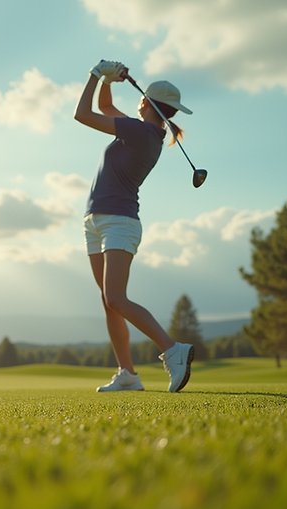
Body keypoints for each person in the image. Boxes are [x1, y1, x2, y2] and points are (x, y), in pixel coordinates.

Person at [74, 60, 194, 393]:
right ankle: (127, 373)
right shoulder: (144, 130)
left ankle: (173, 349)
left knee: (115, 297)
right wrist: (111, 80)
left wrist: (95, 74)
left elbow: (83, 114)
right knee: (108, 300)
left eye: (142, 98)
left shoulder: (141, 132)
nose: (138, 101)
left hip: (118, 221)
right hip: (97, 220)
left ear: (147, 103)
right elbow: (105, 106)